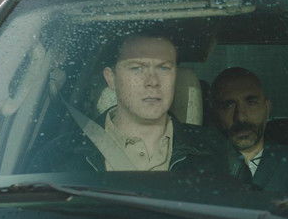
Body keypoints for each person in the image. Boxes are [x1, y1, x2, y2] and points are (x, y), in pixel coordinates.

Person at [32, 32, 230, 175]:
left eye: (164, 68)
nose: (152, 81)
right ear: (111, 79)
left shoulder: (216, 151)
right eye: (136, 68)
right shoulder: (60, 156)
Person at [211, 67, 288, 191]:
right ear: (215, 114)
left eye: (251, 102)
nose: (240, 117)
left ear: (267, 108)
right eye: (228, 105)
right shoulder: (200, 165)